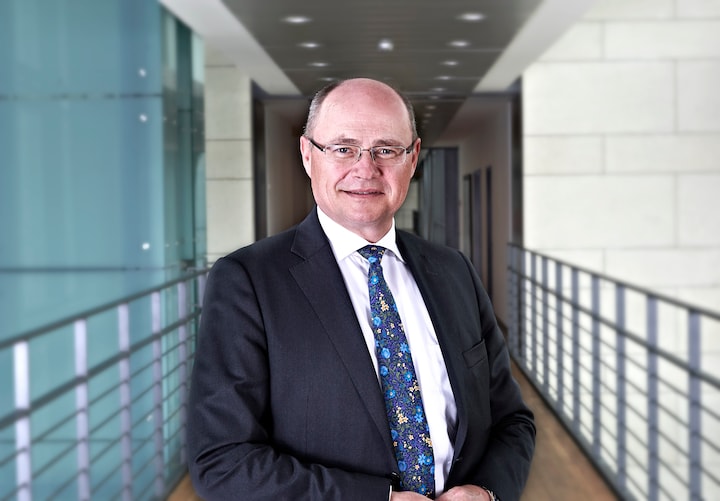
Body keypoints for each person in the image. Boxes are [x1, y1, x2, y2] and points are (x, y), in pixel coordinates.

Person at [187, 78, 535, 501]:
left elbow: (511, 420)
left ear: (413, 158)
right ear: (307, 154)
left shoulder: (454, 271)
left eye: (386, 150)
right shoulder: (247, 281)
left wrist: (487, 491)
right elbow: (222, 460)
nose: (365, 169)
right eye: (342, 148)